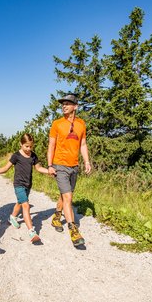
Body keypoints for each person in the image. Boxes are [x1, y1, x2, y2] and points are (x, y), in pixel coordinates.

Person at [47, 93, 92, 246]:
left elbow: (83, 145)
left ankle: (56, 217)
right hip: (60, 165)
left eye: (68, 103)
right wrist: (50, 165)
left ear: (75, 106)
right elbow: (51, 145)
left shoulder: (81, 124)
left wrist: (86, 162)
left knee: (65, 195)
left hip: (74, 166)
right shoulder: (57, 124)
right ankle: (73, 231)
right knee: (68, 198)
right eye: (63, 103)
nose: (64, 106)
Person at [0, 133, 50, 243]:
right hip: (18, 185)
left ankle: (12, 217)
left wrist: (49, 171)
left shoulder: (33, 156)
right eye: (26, 146)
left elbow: (38, 168)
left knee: (20, 203)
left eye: (31, 146)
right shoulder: (16, 156)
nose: (29, 149)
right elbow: (6, 168)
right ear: (21, 144)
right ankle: (32, 232)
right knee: (26, 205)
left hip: (28, 185)